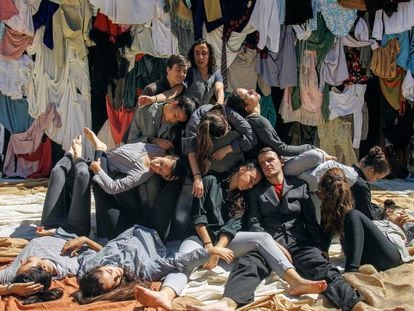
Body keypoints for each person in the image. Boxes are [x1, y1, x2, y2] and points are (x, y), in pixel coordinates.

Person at [134, 161, 327, 311]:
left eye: (255, 184)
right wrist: (210, 247)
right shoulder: (210, 181)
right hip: (198, 238)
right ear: (242, 169)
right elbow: (197, 215)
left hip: (224, 242)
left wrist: (219, 249)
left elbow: (233, 226)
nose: (251, 185)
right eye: (252, 178)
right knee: (184, 262)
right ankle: (166, 296)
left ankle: (294, 280)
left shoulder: (243, 198)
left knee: (262, 238)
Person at [211, 147, 362, 311]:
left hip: (300, 243)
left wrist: (320, 247)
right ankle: (227, 303)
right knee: (249, 264)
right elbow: (254, 223)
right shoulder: (255, 191)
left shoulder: (300, 186)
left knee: (323, 268)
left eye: (270, 160)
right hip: (269, 244)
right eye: (262, 163)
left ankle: (356, 304)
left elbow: (310, 220)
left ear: (280, 161)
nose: (267, 164)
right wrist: (271, 245)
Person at [70, 225, 233, 304]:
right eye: (115, 281)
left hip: (130, 227)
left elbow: (90, 254)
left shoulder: (88, 268)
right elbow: (174, 261)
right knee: (176, 189)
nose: (117, 273)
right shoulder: (141, 273)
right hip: (155, 232)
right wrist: (209, 252)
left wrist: (85, 240)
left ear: (97, 268)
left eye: (110, 271)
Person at [83, 127, 187, 240]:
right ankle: (100, 151)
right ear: (168, 156)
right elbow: (133, 140)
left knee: (97, 181)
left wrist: (98, 170)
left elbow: (113, 187)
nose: (156, 165)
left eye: (160, 171)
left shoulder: (141, 173)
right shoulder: (157, 147)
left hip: (106, 166)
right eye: (161, 163)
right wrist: (153, 140)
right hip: (111, 154)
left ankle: (99, 150)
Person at [318, 168, 410, 273]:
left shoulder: (357, 196)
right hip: (368, 257)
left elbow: (370, 219)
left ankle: (351, 270)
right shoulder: (329, 211)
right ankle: (352, 268)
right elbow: (324, 244)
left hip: (387, 255)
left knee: (353, 215)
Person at [226, 88, 335, 175]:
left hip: (276, 161)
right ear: (247, 107)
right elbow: (282, 149)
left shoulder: (254, 120)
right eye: (248, 94)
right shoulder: (258, 122)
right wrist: (312, 148)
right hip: (273, 167)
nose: (252, 91)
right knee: (316, 156)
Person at [183, 104, 257, 198]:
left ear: (223, 117)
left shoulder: (231, 114)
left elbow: (252, 137)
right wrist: (198, 175)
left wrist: (228, 149)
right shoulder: (193, 125)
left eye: (228, 129)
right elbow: (191, 150)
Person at [40, 135, 91, 236]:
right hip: (73, 233)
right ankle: (78, 157)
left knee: (57, 171)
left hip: (48, 228)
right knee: (82, 174)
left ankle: (69, 155)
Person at [350, 146, 390, 220]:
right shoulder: (361, 185)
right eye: (377, 178)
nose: (375, 180)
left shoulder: (351, 170)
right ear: (371, 171)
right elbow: (369, 215)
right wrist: (383, 212)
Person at [184, 39, 224, 105]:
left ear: (209, 55)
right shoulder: (189, 72)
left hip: (204, 112)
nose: (200, 57)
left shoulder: (215, 72)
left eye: (204, 53)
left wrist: (219, 103)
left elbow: (219, 89)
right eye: (197, 53)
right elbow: (178, 89)